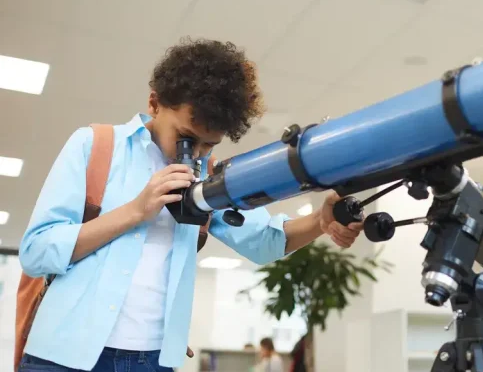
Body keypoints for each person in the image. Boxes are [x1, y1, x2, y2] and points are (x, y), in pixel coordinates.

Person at [16, 38, 364, 372]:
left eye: (208, 145)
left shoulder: (206, 177)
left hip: (151, 361)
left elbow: (267, 240)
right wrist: (136, 211)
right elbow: (35, 252)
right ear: (154, 103)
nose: (196, 155)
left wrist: (321, 219)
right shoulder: (95, 146)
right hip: (62, 356)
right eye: (187, 138)